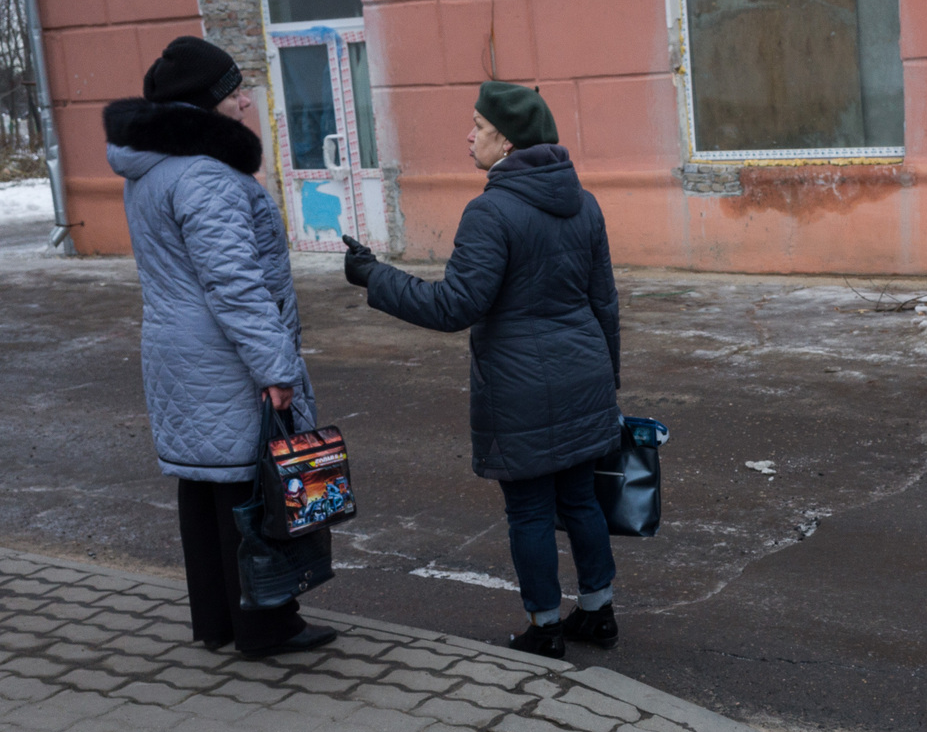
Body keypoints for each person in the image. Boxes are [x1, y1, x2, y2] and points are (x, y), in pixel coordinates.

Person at [343, 82, 622, 660]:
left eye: (477, 124)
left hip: (522, 390)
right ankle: (598, 612)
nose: (468, 135)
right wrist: (606, 387)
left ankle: (545, 628)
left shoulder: (490, 211)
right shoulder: (585, 202)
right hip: (584, 379)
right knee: (581, 502)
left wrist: (374, 277)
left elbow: (454, 306)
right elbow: (605, 304)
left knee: (529, 510)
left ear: (507, 138)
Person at [104, 36, 337, 658]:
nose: (244, 102)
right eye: (234, 92)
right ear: (208, 104)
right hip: (224, 354)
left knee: (205, 483)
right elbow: (234, 283)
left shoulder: (154, 166)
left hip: (178, 348)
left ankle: (219, 621)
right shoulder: (208, 176)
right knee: (249, 486)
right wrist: (275, 365)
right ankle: (268, 624)